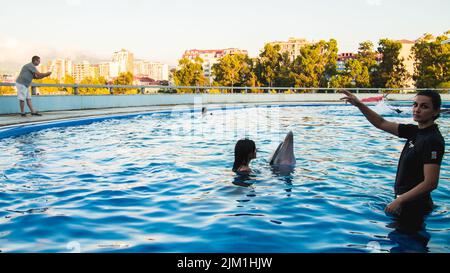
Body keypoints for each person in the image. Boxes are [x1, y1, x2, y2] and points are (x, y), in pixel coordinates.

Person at [340, 89, 445, 231]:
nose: (417, 109)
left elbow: (431, 182)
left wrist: (400, 200)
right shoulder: (415, 131)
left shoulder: (432, 140)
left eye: (424, 106)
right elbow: (381, 123)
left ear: (435, 112)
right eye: (415, 105)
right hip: (404, 204)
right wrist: (359, 104)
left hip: (415, 208)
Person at [232, 131, 296, 173]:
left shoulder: (239, 167)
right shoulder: (246, 170)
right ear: (248, 153)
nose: (256, 151)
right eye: (254, 149)